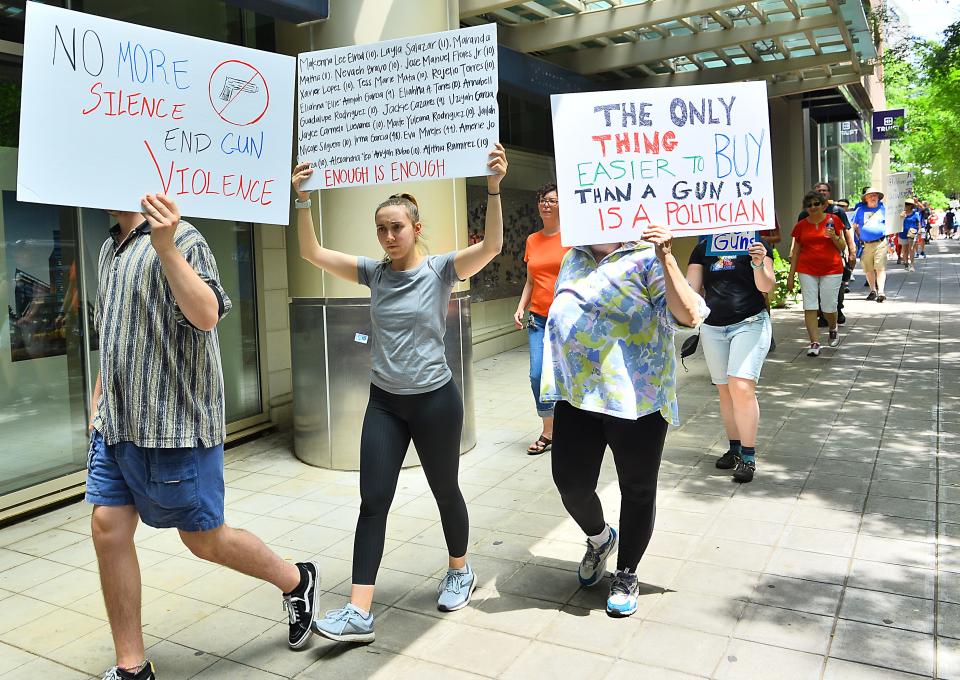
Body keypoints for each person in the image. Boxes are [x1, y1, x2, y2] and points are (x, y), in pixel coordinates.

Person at [88, 195, 320, 680]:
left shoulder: (184, 238)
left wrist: (167, 248)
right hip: (116, 425)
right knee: (108, 527)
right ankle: (132, 667)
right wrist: (99, 399)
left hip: (173, 427)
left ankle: (297, 581)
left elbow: (208, 315)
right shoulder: (109, 249)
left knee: (204, 539)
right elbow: (113, 330)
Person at [291, 144, 508, 642]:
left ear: (416, 228)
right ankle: (359, 612)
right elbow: (313, 253)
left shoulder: (441, 271)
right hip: (385, 403)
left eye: (397, 228)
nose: (389, 237)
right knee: (373, 500)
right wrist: (302, 200)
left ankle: (459, 568)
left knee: (444, 490)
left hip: (435, 400)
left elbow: (493, 246)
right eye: (382, 229)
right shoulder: (374, 273)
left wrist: (493, 187)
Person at [540, 226, 706, 618]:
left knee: (636, 488)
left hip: (637, 398)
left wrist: (666, 256)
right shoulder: (574, 256)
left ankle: (626, 571)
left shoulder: (646, 256)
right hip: (577, 394)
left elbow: (690, 315)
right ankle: (600, 539)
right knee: (571, 483)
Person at [687, 237, 774, 483]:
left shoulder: (756, 242)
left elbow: (766, 287)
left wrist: (758, 263)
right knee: (725, 390)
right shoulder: (702, 248)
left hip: (750, 323)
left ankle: (748, 456)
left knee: (742, 386)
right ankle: (734, 449)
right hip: (713, 328)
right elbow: (690, 289)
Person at [512, 183, 570, 455]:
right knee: (537, 374)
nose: (545, 204)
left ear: (562, 205)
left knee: (567, 374)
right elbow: (530, 281)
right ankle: (549, 430)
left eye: (551, 200)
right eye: (542, 199)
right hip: (538, 318)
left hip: (567, 320)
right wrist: (521, 307)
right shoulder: (532, 240)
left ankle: (572, 427)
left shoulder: (572, 239)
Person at [787, 191, 847, 356]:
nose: (813, 207)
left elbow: (842, 246)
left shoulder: (833, 220)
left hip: (832, 269)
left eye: (816, 204)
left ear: (823, 205)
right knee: (810, 306)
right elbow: (796, 252)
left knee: (829, 306)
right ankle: (814, 342)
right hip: (807, 269)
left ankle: (833, 327)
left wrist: (834, 236)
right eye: (809, 205)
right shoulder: (801, 225)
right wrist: (790, 276)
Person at [797, 182, 855, 326]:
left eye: (824, 190)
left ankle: (836, 310)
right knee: (816, 292)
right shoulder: (805, 213)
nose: (822, 192)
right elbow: (798, 237)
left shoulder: (837, 211)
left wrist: (851, 250)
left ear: (829, 193)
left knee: (838, 288)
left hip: (834, 258)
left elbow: (846, 231)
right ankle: (823, 315)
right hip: (810, 262)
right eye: (819, 190)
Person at [852, 187, 888, 302]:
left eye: (875, 195)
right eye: (870, 195)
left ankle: (881, 291)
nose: (873, 197)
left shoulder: (883, 208)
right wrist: (853, 241)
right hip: (865, 244)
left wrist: (901, 216)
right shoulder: (860, 209)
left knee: (880, 267)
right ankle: (873, 290)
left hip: (880, 242)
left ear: (878, 197)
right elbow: (853, 225)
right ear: (866, 198)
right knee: (868, 268)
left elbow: (893, 222)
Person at [900, 198, 921, 271]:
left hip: (912, 232)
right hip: (902, 232)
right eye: (905, 204)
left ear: (912, 206)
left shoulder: (916, 214)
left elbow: (918, 223)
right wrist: (901, 217)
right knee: (905, 249)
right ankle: (906, 263)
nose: (906, 205)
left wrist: (919, 230)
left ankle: (912, 264)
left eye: (908, 204)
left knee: (911, 248)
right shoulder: (901, 213)